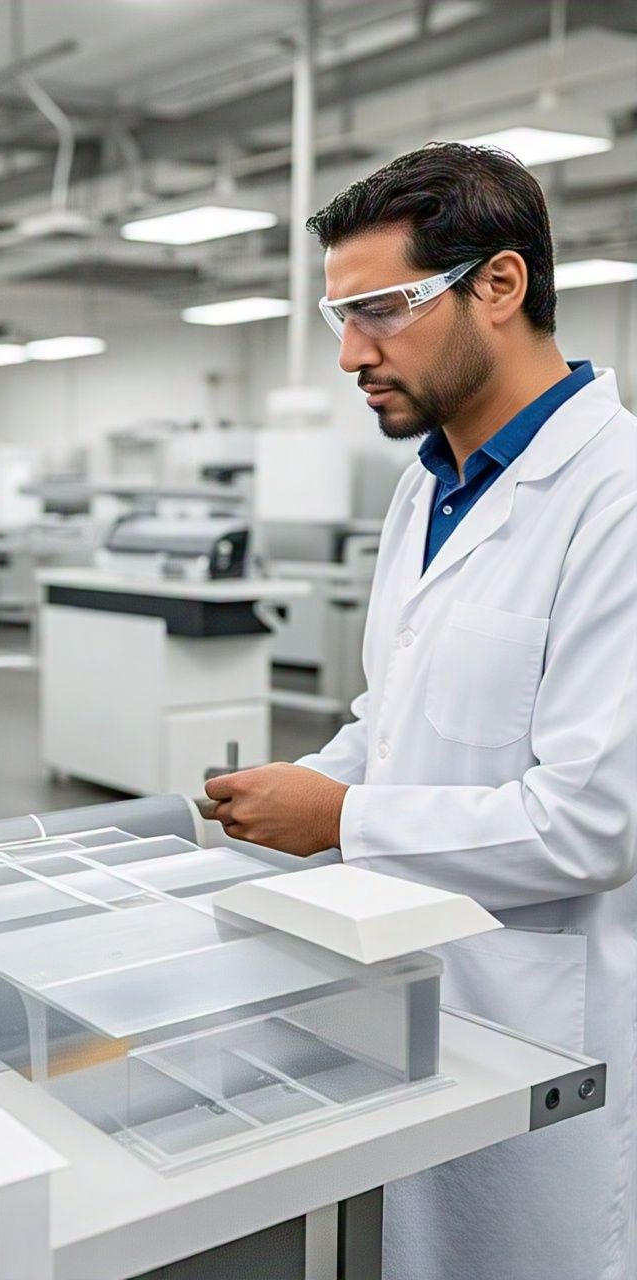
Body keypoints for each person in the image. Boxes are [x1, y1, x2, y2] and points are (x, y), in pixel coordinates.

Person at [205, 142, 637, 1280]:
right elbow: (387, 718)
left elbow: (589, 820)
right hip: (405, 988)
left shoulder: (615, 497)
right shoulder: (428, 483)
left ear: (498, 286)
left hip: (546, 1013)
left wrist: (340, 817)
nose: (350, 354)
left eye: (381, 310)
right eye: (337, 316)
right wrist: (296, 789)